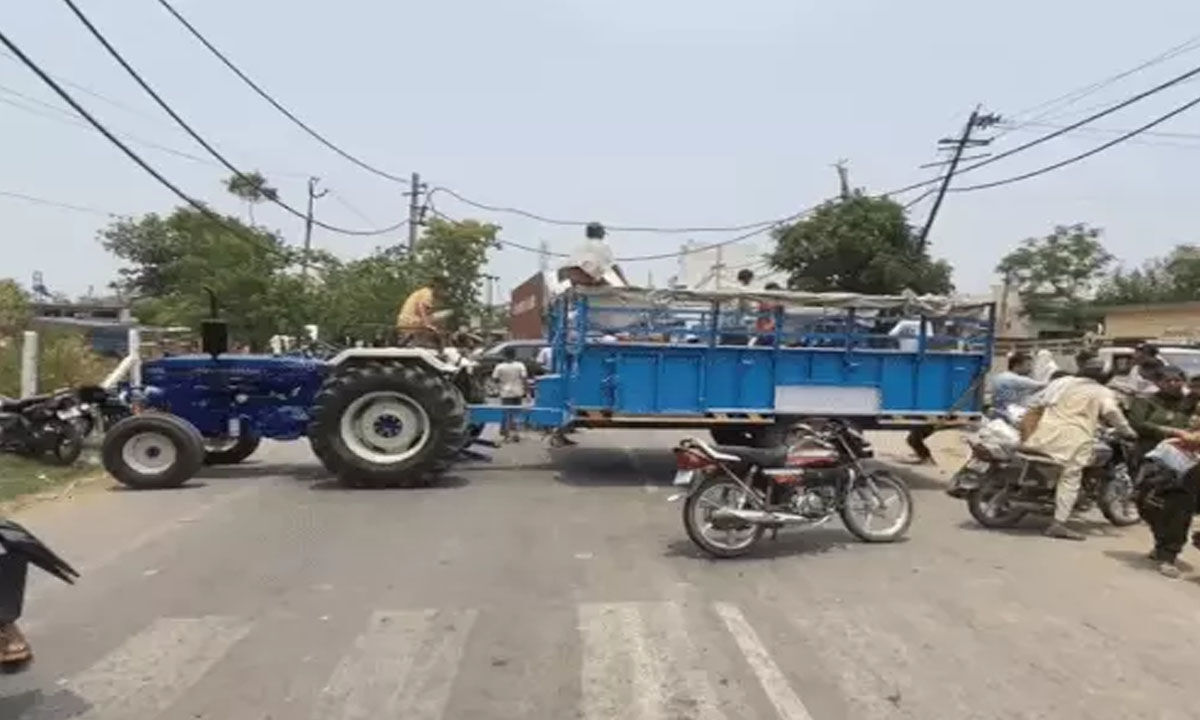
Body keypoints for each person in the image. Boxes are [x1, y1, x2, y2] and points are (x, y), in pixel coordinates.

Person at [1022, 358, 1136, 541]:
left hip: (1044, 434)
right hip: (1074, 439)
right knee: (1070, 478)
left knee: (1055, 471)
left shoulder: (1062, 382)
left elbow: (1038, 401)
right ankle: (1058, 524)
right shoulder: (1101, 391)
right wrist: (1128, 431)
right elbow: (1112, 412)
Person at [1127, 365, 1200, 577]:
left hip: (1186, 464)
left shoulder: (1191, 404)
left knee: (1178, 506)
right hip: (1151, 458)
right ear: (1158, 382)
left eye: (1177, 380)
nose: (1173, 384)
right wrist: (1171, 431)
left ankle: (1168, 554)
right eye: (1168, 380)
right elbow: (1138, 423)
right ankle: (1161, 541)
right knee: (1145, 502)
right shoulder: (1146, 401)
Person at [492, 347, 528, 442]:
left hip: (505, 393)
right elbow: (524, 378)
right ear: (514, 355)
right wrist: (527, 391)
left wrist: (501, 382)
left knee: (506, 413)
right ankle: (516, 434)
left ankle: (507, 435)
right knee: (516, 413)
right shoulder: (520, 365)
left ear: (504, 355)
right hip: (518, 392)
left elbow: (495, 378)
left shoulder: (499, 367)